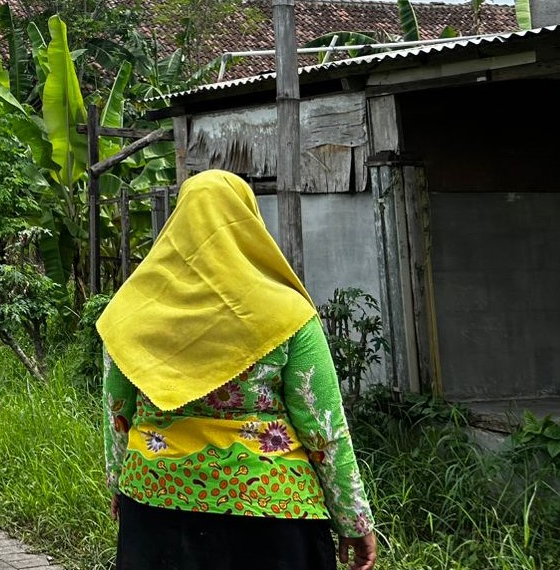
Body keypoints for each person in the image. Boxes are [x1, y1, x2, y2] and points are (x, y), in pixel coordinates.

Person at [97, 170, 377, 570]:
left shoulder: (131, 313)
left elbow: (116, 412)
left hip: (154, 501)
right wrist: (354, 519)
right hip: (272, 510)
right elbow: (323, 426)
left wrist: (118, 485)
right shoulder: (288, 314)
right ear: (248, 222)